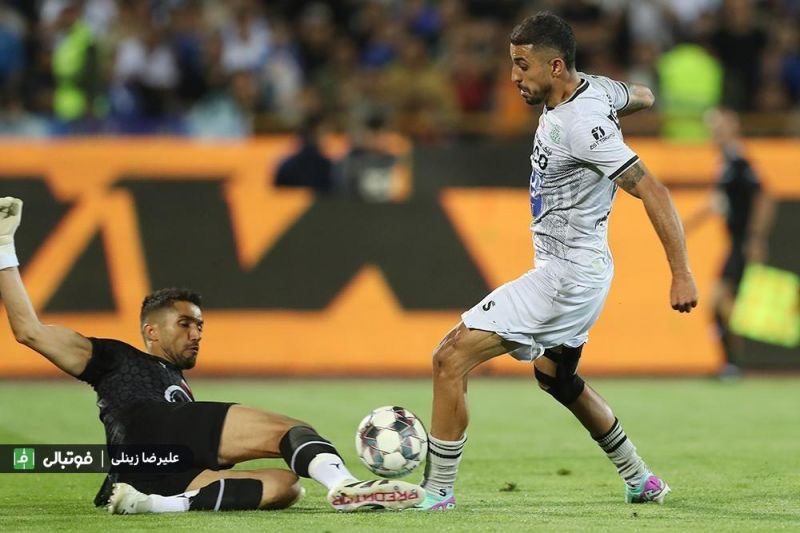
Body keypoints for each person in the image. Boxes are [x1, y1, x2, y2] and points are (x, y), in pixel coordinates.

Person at [416, 12, 698, 510]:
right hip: (584, 271)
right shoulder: (596, 92)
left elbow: (653, 190)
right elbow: (643, 95)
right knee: (556, 378)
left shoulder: (581, 125)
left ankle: (437, 492)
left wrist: (681, 273)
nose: (513, 76)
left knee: (449, 358)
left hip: (565, 278)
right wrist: (622, 99)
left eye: (522, 66)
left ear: (556, 66)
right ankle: (641, 479)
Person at [0, 196, 423, 514]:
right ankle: (345, 484)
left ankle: (152, 505)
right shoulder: (115, 358)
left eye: (200, 326)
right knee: (290, 430)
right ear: (150, 331)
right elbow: (30, 331)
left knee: (285, 486)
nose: (196, 334)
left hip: (149, 473)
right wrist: (4, 247)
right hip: (154, 431)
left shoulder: (175, 384)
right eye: (185, 324)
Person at [683, 108, 775, 377]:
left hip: (742, 242)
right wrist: (685, 225)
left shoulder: (738, 160)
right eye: (712, 129)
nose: (714, 134)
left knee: (720, 301)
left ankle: (734, 363)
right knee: (722, 303)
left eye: (719, 128)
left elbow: (764, 198)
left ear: (733, 129)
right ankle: (731, 364)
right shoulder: (724, 163)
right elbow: (718, 202)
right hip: (735, 242)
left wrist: (756, 237)